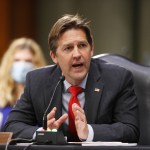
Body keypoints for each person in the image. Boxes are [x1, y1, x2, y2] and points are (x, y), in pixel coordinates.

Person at [3, 14, 139, 143]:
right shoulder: (37, 81)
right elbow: (11, 126)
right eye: (68, 48)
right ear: (54, 56)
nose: (77, 54)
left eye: (82, 45)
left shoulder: (117, 79)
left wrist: (89, 132)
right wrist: (43, 133)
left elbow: (130, 130)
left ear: (91, 49)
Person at [0, 37, 47, 130]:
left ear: (37, 64)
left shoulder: (46, 96)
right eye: (17, 60)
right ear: (9, 63)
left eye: (28, 61)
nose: (22, 65)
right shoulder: (2, 97)